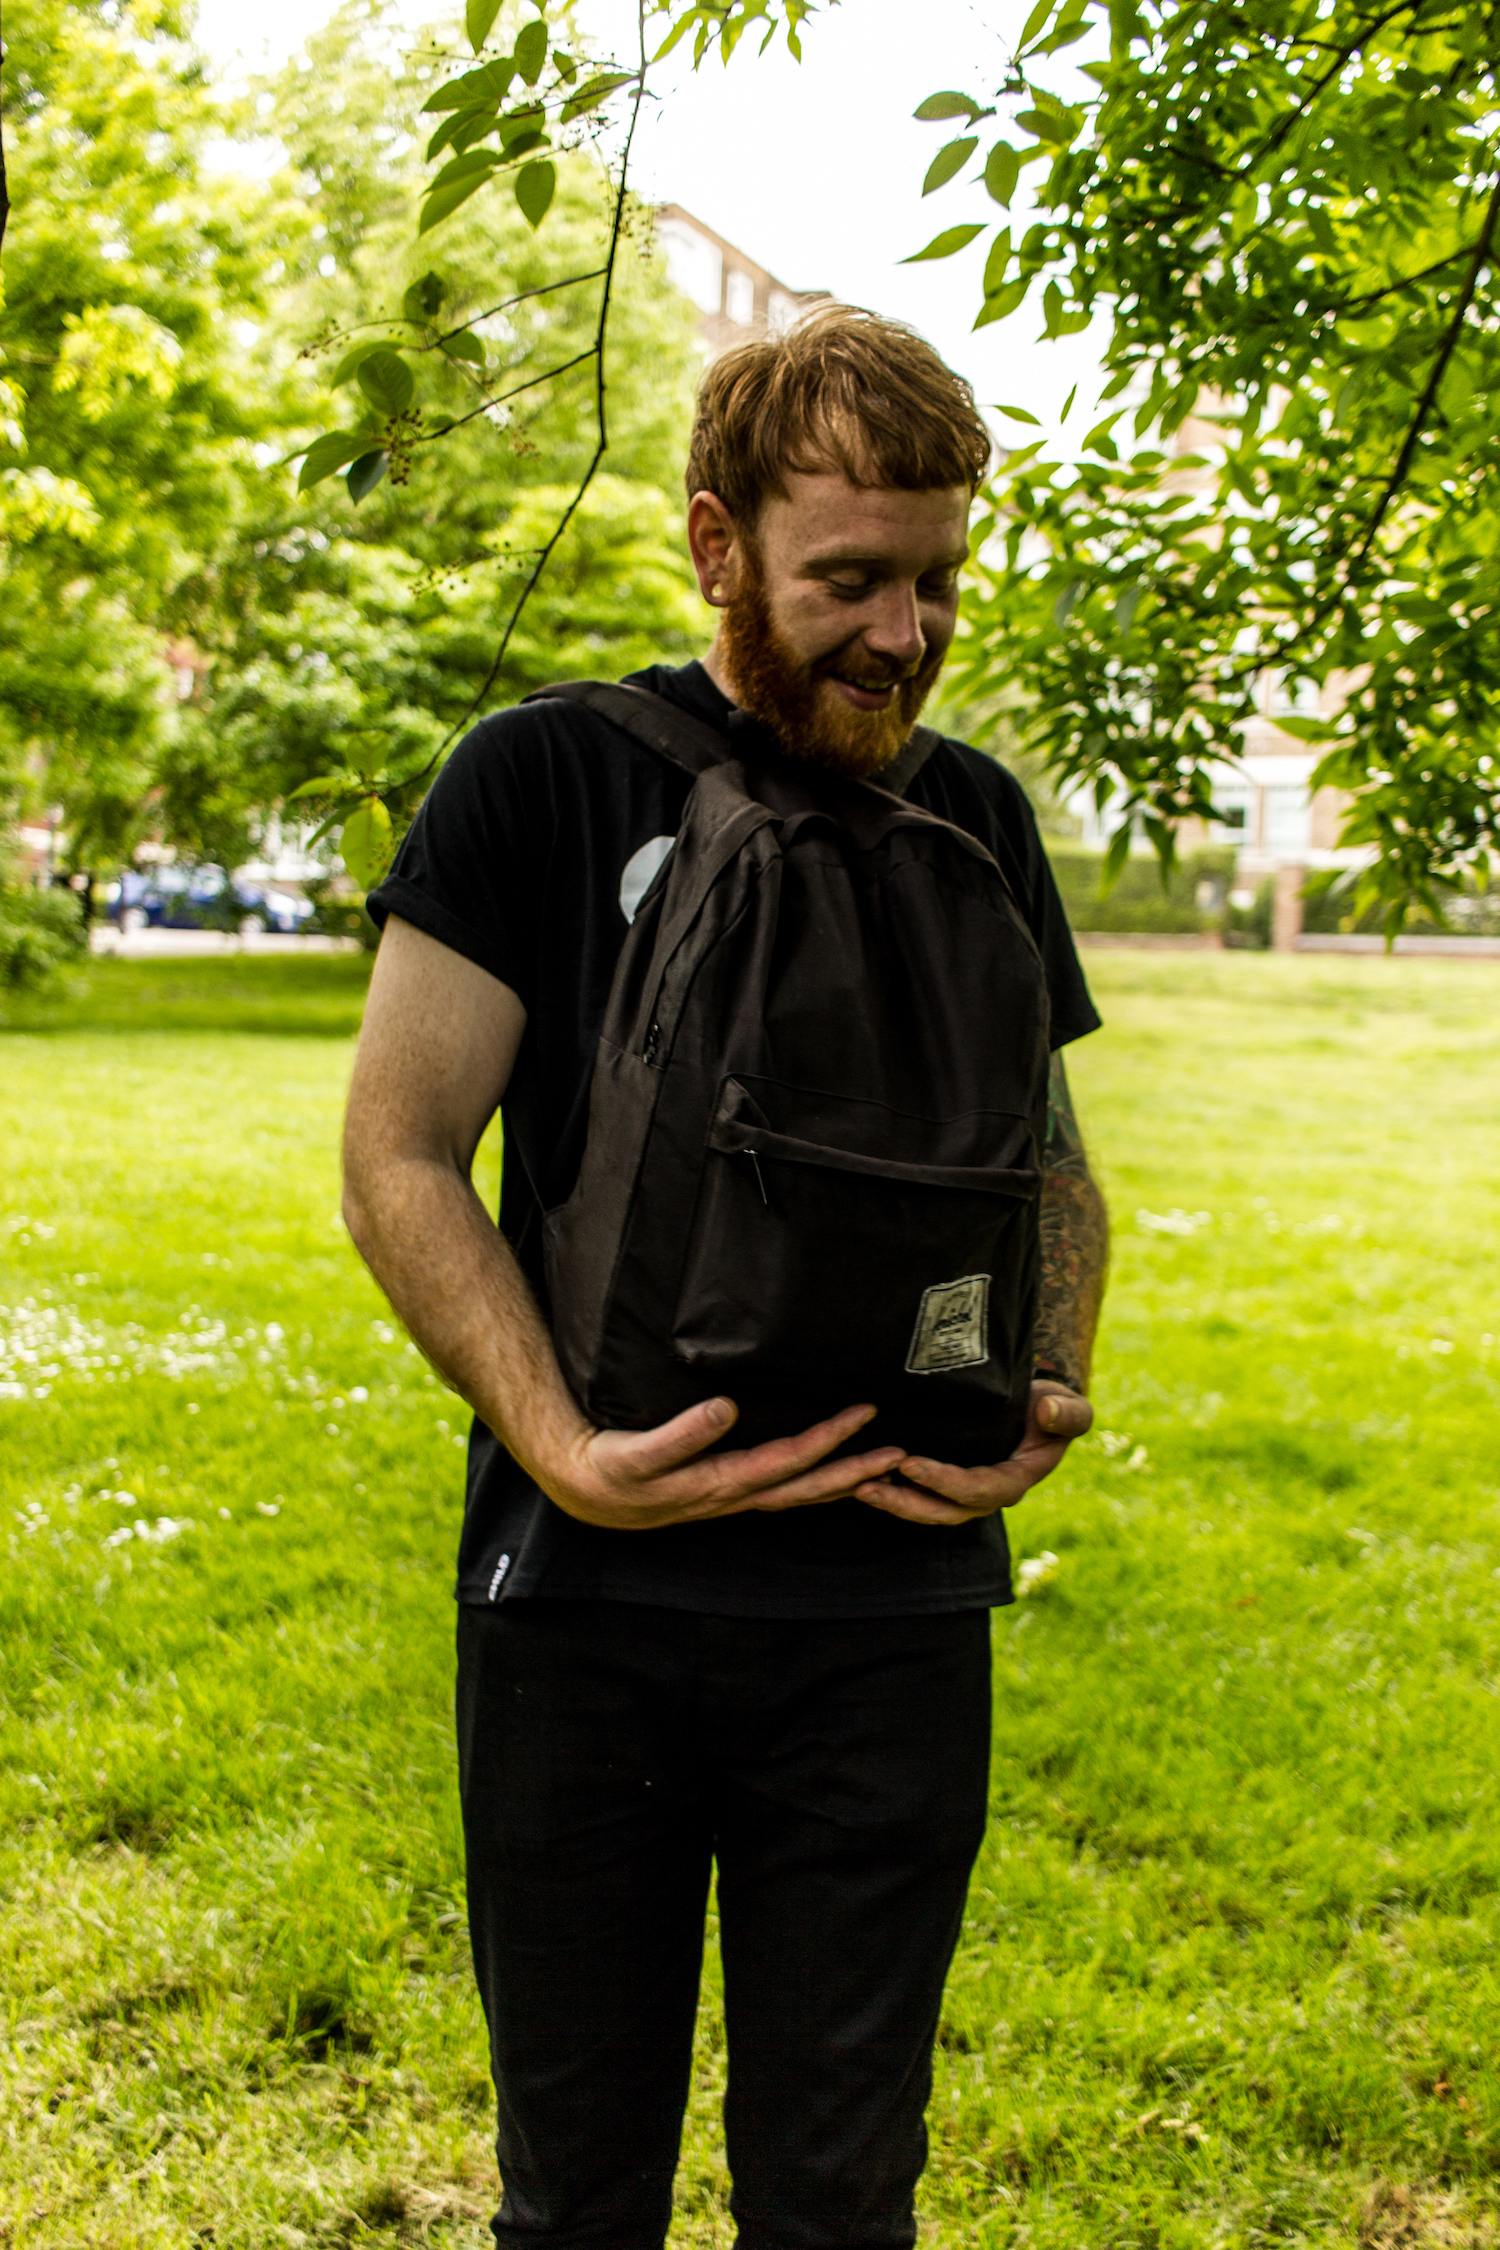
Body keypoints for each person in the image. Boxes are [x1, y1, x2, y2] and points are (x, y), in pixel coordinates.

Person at [344, 304, 1108, 2250]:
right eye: (848, 578)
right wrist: (561, 1448)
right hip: (587, 1604)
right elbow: (397, 1154)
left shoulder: (983, 818)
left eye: (938, 579)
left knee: (844, 2197)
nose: (905, 633)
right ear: (716, 547)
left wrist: (1045, 1384)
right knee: (576, 2194)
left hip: (892, 1612)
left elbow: (1056, 1170)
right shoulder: (539, 780)